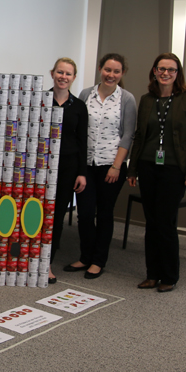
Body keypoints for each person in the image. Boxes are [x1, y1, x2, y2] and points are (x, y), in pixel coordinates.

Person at [127, 53, 186, 293]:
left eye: (171, 70)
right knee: (151, 221)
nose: (166, 73)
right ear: (154, 71)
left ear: (177, 73)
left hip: (174, 169)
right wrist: (133, 168)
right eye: (161, 69)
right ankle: (152, 274)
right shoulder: (147, 99)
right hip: (149, 166)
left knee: (165, 222)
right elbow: (140, 136)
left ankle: (169, 275)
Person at [65, 54, 136, 279]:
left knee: (104, 213)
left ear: (122, 73)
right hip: (86, 165)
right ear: (99, 69)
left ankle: (98, 260)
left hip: (111, 167)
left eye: (116, 71)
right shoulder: (86, 94)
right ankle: (85, 256)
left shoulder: (127, 99)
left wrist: (117, 166)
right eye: (107, 70)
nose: (111, 75)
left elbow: (128, 136)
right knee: (84, 214)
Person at [47, 58, 88, 284]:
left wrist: (81, 172)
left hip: (67, 167)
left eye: (68, 74)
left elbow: (83, 142)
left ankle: (47, 263)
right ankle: (29, 259)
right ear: (52, 73)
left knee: (57, 216)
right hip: (41, 166)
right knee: (36, 212)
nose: (63, 77)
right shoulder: (40, 100)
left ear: (73, 78)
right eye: (60, 72)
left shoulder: (79, 106)